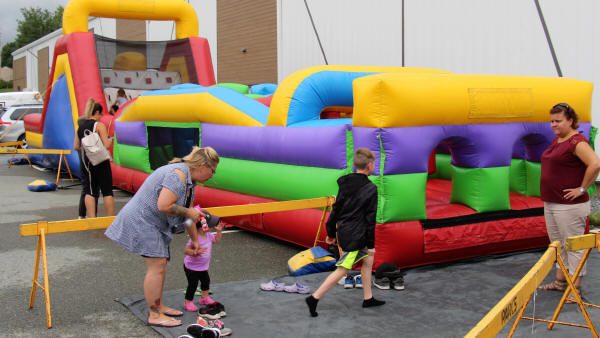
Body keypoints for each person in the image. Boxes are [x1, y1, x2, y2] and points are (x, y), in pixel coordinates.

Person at [105, 147, 219, 328]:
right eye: (212, 170)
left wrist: (195, 241)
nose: (212, 175)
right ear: (203, 165)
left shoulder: (190, 182)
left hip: (153, 223)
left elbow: (188, 218)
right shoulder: (178, 174)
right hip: (143, 220)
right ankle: (154, 314)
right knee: (156, 265)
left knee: (161, 264)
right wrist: (189, 211)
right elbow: (164, 205)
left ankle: (158, 306)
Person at [305, 148, 385, 317]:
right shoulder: (371, 188)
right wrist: (371, 245)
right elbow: (370, 219)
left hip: (346, 232)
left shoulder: (345, 184)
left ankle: (368, 298)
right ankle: (314, 298)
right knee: (343, 269)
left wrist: (331, 233)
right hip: (356, 236)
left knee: (367, 263)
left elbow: (336, 210)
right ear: (369, 166)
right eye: (374, 164)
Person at [538, 103, 600, 293]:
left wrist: (582, 189)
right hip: (552, 202)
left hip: (569, 206)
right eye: (551, 121)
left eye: (558, 121)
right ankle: (560, 282)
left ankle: (575, 288)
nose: (553, 125)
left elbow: (595, 164)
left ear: (570, 121)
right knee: (558, 244)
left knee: (573, 245)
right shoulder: (558, 140)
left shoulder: (577, 142)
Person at [74, 98, 114, 217]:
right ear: (97, 113)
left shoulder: (80, 127)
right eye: (100, 114)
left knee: (89, 191)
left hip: (87, 162)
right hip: (101, 161)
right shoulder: (99, 125)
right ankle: (110, 219)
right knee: (107, 191)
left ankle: (92, 219)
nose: (101, 116)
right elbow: (106, 145)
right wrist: (111, 140)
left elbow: (76, 146)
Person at [183, 206, 224, 312]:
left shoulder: (208, 234)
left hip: (203, 267)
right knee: (193, 285)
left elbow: (216, 240)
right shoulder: (195, 238)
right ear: (202, 226)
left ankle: (204, 298)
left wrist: (219, 232)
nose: (210, 227)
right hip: (191, 267)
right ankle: (188, 302)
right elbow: (186, 251)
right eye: (208, 225)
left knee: (206, 281)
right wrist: (195, 252)